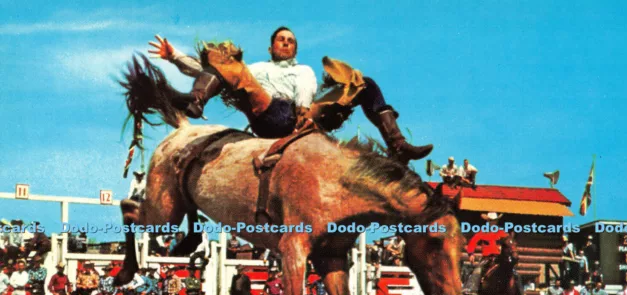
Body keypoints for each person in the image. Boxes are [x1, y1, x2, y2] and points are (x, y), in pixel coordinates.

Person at [149, 27, 433, 165]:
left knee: (363, 82)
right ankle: (196, 101)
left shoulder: (304, 71)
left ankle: (397, 143)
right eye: (281, 40)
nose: (286, 42)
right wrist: (173, 56)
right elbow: (207, 68)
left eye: (291, 41)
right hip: (269, 114)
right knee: (225, 61)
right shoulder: (257, 69)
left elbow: (308, 90)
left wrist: (304, 113)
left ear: (294, 48)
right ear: (272, 47)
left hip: (304, 114)